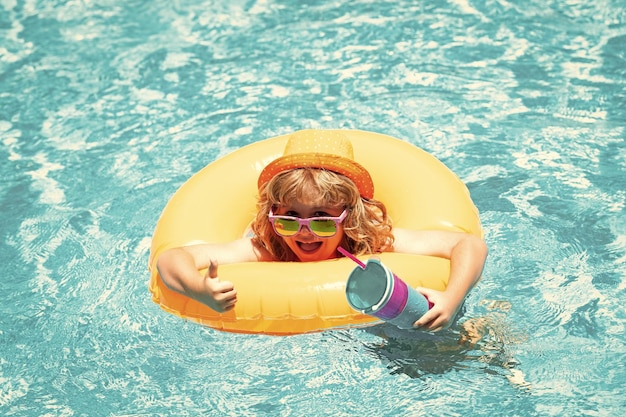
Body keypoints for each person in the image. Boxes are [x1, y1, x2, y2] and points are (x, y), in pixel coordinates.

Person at [156, 130, 488, 332]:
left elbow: (468, 245)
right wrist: (198, 288)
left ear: (349, 215)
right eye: (289, 217)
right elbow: (173, 257)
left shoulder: (372, 241)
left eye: (321, 218)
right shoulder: (269, 248)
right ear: (271, 215)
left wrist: (452, 297)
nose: (305, 232)